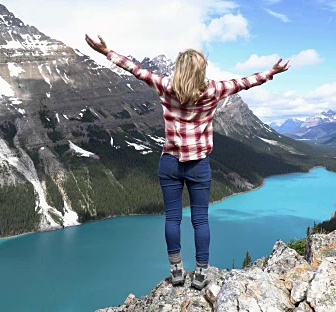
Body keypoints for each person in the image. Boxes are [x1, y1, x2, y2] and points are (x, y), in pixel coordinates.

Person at [85, 34, 290, 289]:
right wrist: (271, 72)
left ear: (179, 69)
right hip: (198, 165)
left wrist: (107, 52)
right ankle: (201, 272)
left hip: (169, 162)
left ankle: (177, 271)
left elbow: (136, 70)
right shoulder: (214, 89)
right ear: (201, 70)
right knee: (200, 220)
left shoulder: (165, 86)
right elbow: (244, 83)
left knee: (173, 218)